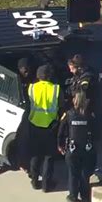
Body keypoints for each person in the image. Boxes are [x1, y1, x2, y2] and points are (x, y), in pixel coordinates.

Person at [27, 64, 63, 192]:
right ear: (50, 76)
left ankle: (35, 181)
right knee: (49, 157)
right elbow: (61, 106)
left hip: (34, 124)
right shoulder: (56, 89)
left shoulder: (31, 88)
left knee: (35, 154)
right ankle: (47, 185)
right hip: (51, 126)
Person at [57, 91, 96, 202]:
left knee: (73, 173)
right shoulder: (90, 115)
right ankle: (85, 196)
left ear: (75, 101)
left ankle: (73, 197)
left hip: (73, 149)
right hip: (87, 149)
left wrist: (60, 145)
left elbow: (61, 131)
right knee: (85, 173)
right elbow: (96, 131)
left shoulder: (69, 114)